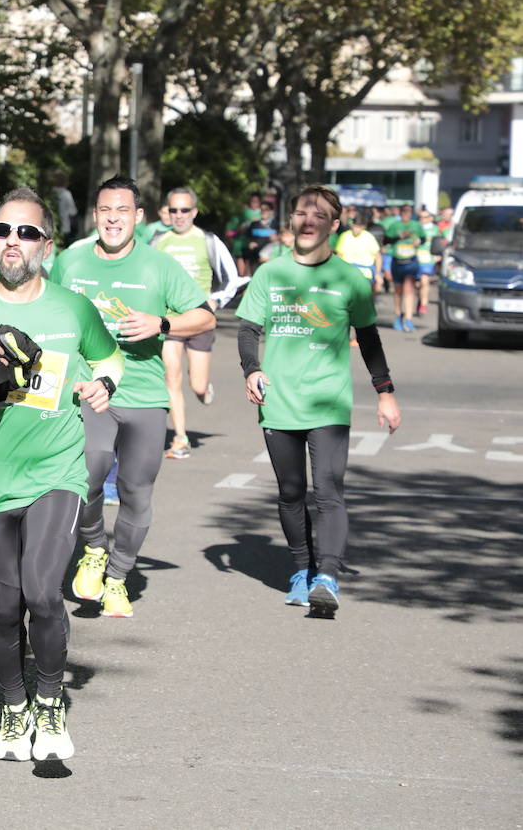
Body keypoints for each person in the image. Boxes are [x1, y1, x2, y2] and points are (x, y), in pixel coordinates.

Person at [0, 187, 122, 761]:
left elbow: (110, 357)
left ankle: (50, 702)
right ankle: (14, 709)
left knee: (42, 593)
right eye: (4, 232)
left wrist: (102, 384)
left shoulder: (71, 308)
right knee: (6, 605)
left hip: (56, 471)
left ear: (47, 245)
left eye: (27, 233)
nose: (14, 242)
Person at [50, 176, 215, 618]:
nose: (113, 219)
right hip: (88, 391)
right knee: (87, 474)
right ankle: (93, 550)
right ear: (95, 215)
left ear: (138, 217)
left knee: (136, 491)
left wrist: (161, 324)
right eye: (105, 210)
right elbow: (47, 308)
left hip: (143, 393)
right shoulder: (72, 261)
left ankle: (119, 578)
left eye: (122, 211)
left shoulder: (158, 266)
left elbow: (203, 317)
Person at [236, 184, 401, 615]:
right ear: (291, 221)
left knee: (328, 490)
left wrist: (385, 394)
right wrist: (252, 368)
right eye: (301, 214)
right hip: (279, 402)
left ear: (334, 224)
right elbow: (248, 329)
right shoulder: (270, 273)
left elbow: (368, 338)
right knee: (291, 492)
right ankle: (301, 569)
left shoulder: (350, 279)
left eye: (318, 215)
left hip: (328, 402)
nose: (308, 222)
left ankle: (327, 574)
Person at [152, 186, 243, 459]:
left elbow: (231, 279)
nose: (179, 216)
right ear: (167, 213)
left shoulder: (208, 240)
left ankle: (203, 390)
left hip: (200, 319)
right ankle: (180, 438)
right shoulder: (158, 240)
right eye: (173, 210)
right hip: (170, 319)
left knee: (198, 386)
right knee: (171, 376)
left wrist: (214, 302)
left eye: (184, 210)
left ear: (194, 212)